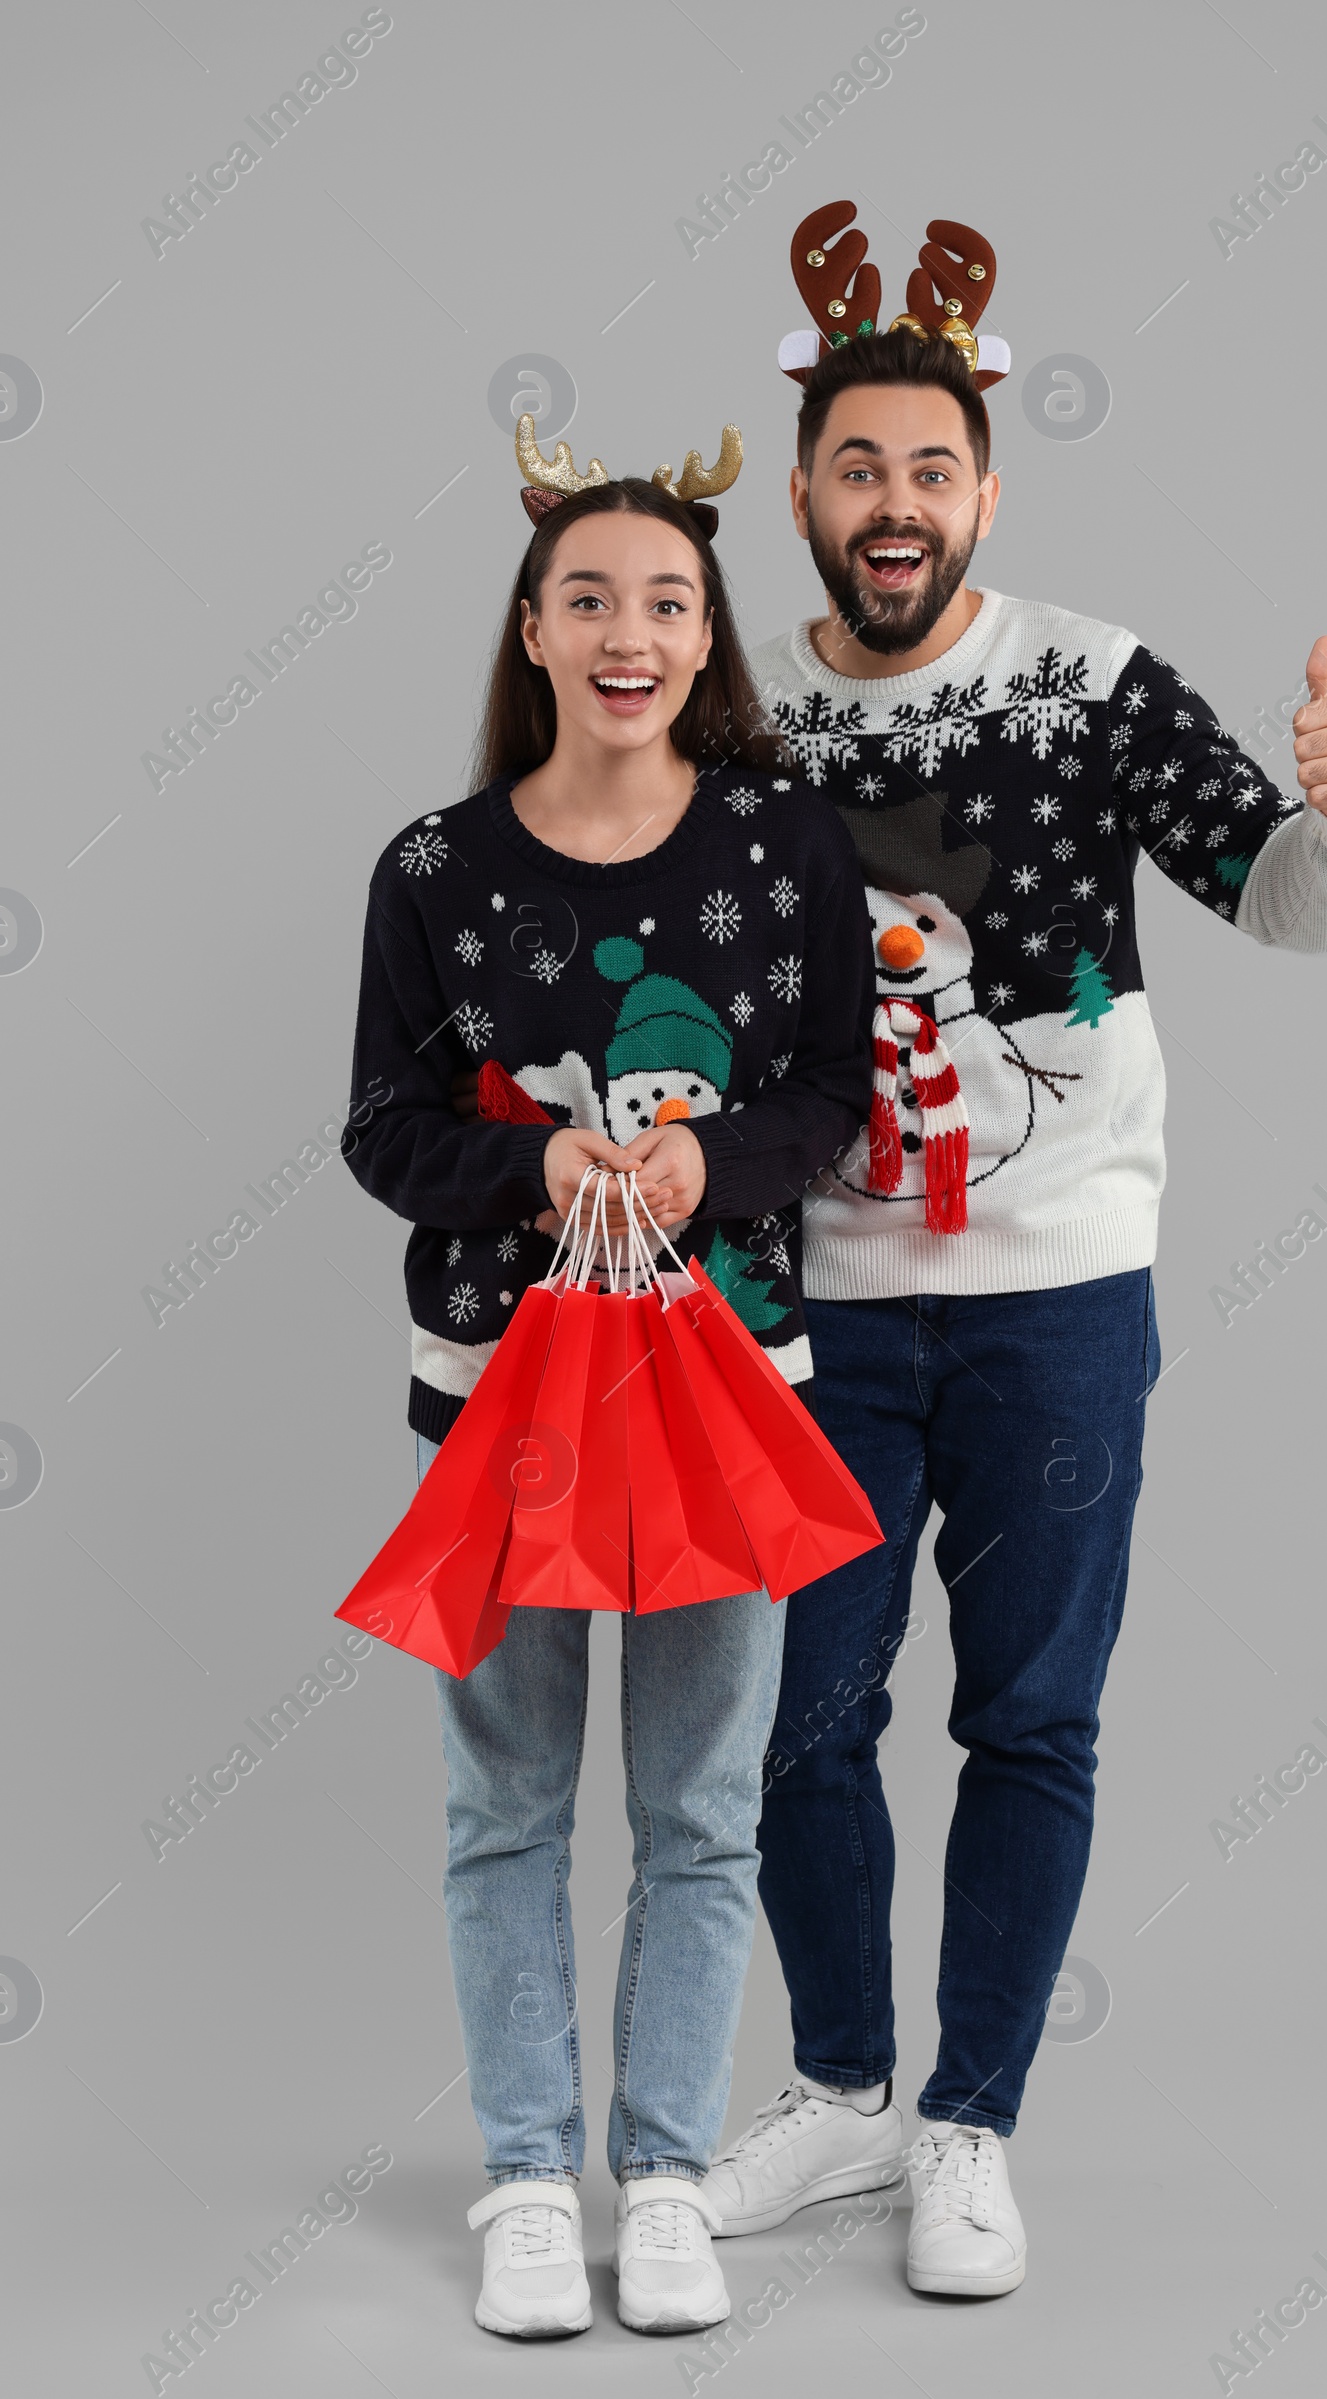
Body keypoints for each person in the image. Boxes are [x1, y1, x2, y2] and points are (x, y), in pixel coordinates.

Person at [702, 204, 1327, 2298]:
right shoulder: (733, 734)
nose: (892, 504)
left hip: (1053, 1302)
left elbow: (1280, 899)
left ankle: (969, 2128)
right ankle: (841, 2097)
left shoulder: (1086, 680)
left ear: (979, 487)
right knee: (799, 1721)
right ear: (807, 494)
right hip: (807, 1305)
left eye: (928, 469)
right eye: (855, 468)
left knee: (1028, 1718)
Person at [340, 421, 874, 2338]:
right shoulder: (435, 867)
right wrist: (540, 1161)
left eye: (667, 599)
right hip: (500, 1398)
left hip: (729, 1386)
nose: (630, 631)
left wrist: (703, 1161)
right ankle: (519, 2177)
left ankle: (659, 2169)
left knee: (703, 1807)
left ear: (706, 627)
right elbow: (384, 1130)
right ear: (534, 627)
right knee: (506, 1803)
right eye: (592, 599)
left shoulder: (784, 845)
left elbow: (834, 1100)